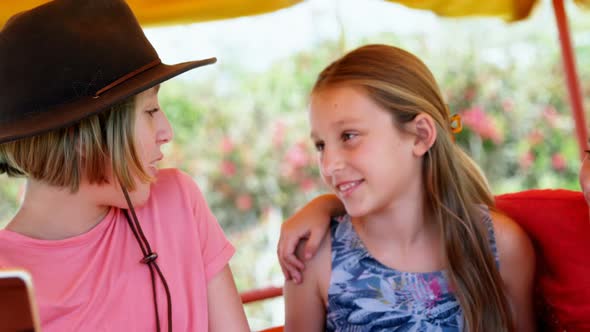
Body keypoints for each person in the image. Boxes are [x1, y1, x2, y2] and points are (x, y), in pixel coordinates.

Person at [0, 0, 250, 331]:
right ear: (79, 136)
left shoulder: (178, 201)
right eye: (149, 111)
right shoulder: (8, 279)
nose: (167, 132)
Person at [278, 44, 535, 331]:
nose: (329, 165)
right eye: (321, 145)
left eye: (349, 136)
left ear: (420, 136)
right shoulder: (314, 258)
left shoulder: (501, 246)